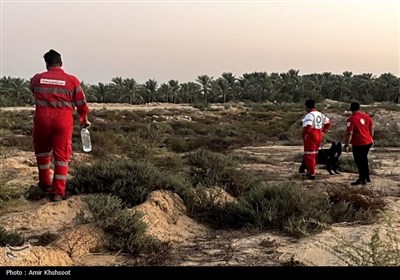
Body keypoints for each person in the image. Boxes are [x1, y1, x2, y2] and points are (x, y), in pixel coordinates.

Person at [30, 49, 91, 202]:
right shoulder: (72, 81)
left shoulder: (37, 79)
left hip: (42, 120)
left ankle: (44, 184)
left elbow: (34, 92)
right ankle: (57, 192)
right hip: (63, 122)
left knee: (42, 153)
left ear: (46, 64)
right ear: (61, 62)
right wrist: (84, 119)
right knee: (62, 157)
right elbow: (81, 104)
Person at [344, 102, 374, 185]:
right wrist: (371, 137)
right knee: (364, 159)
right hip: (367, 141)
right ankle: (366, 177)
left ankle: (362, 178)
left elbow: (349, 133)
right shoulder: (366, 116)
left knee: (359, 161)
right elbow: (372, 127)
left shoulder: (351, 119)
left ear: (351, 109)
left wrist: (346, 144)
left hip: (359, 143)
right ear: (359, 108)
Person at [301, 99, 332, 180]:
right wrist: (323, 131)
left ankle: (311, 173)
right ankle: (311, 171)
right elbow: (328, 122)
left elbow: (308, 126)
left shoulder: (309, 115)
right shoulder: (320, 114)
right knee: (314, 154)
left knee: (309, 155)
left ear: (306, 107)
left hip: (311, 136)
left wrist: (304, 135)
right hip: (318, 135)